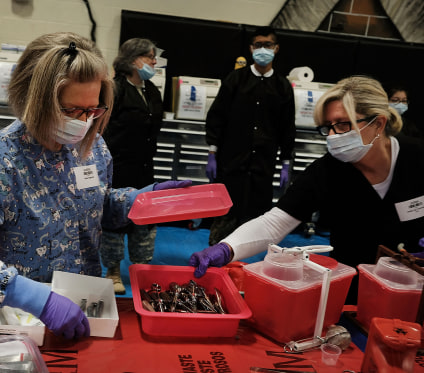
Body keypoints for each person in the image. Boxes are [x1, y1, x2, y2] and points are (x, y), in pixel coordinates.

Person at [0, 32, 190, 339]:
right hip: (20, 316)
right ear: (32, 100)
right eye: (71, 110)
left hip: (84, 299)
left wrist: (136, 202)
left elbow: (95, 207)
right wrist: (31, 296)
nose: (84, 121)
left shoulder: (93, 148)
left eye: (92, 110)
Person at [190, 75, 424, 304]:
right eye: (327, 127)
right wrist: (226, 248)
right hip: (352, 292)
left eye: (343, 124)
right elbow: (275, 223)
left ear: (378, 124)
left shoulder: (417, 158)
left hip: (413, 289)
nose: (332, 136)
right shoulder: (328, 171)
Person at [205, 26, 296, 246]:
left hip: (263, 164)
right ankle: (216, 255)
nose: (262, 49)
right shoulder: (235, 80)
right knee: (226, 214)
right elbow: (217, 116)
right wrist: (212, 152)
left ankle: (247, 266)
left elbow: (287, 126)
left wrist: (286, 162)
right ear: (250, 48)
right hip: (231, 161)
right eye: (258, 45)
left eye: (268, 45)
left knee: (256, 220)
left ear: (276, 48)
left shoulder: (283, 86)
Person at [99, 38, 164, 294]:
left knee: (144, 220)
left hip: (144, 168)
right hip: (117, 168)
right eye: (149, 57)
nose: (154, 62)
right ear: (133, 60)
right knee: (114, 220)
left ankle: (141, 268)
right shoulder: (114, 89)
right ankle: (113, 270)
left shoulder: (152, 90)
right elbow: (100, 130)